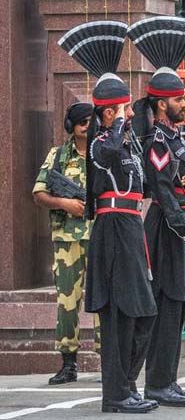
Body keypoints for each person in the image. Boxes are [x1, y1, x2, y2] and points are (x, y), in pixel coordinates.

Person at [58, 20, 158, 413]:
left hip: (131, 228)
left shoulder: (126, 141)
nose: (124, 116)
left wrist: (142, 120)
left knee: (143, 312)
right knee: (118, 316)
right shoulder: (100, 144)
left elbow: (145, 181)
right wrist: (116, 124)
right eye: (117, 110)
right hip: (113, 229)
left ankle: (126, 384)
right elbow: (112, 154)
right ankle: (115, 395)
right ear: (105, 113)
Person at [127, 16, 185, 407]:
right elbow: (161, 191)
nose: (183, 104)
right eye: (178, 99)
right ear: (162, 104)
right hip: (165, 225)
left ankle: (167, 380)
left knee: (177, 304)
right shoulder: (157, 141)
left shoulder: (175, 137)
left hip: (177, 220)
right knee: (167, 303)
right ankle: (158, 383)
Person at [33, 102, 100, 385]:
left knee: (103, 302)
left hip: (99, 236)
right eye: (82, 121)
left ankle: (108, 361)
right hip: (66, 240)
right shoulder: (58, 156)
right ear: (70, 126)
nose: (87, 124)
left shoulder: (102, 152)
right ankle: (68, 363)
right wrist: (65, 203)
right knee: (67, 303)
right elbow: (39, 193)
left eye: (91, 120)